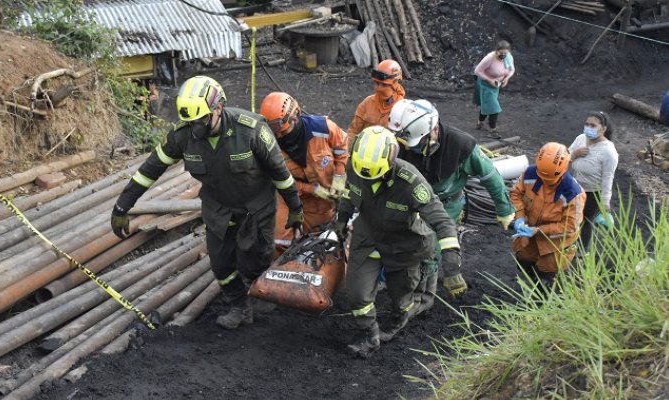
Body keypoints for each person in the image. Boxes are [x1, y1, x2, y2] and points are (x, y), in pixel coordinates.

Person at [110, 76, 304, 330]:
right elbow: (149, 170)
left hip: (256, 208)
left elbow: (280, 173)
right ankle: (239, 306)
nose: (196, 128)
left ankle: (260, 288)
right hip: (218, 207)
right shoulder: (183, 136)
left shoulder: (251, 130)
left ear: (218, 108)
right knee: (221, 264)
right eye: (190, 122)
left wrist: (296, 209)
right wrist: (122, 206)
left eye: (201, 120)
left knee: (254, 259)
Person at [334, 126, 463, 357]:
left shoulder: (411, 183)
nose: (368, 180)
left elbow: (443, 222)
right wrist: (342, 218)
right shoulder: (355, 166)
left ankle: (396, 321)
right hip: (368, 237)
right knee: (357, 294)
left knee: (401, 298)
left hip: (404, 244)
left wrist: (452, 267)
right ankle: (370, 335)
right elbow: (350, 192)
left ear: (391, 162)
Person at [388, 98, 516, 298]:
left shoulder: (460, 146)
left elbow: (490, 177)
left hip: (446, 205)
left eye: (417, 145)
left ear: (434, 131)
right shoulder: (404, 142)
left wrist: (504, 209)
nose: (412, 150)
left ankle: (425, 289)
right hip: (412, 203)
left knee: (431, 249)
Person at [260, 92, 349, 257]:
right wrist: (311, 189)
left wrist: (339, 176)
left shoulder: (323, 128)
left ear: (294, 117)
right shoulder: (269, 144)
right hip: (289, 196)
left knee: (321, 240)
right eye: (274, 133)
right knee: (279, 240)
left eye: (282, 131)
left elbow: (342, 146)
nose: (279, 137)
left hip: (324, 199)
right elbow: (276, 179)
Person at [510, 142, 586, 284]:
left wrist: (538, 230)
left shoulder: (574, 194)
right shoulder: (529, 174)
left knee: (546, 279)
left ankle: (541, 299)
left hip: (556, 244)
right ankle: (529, 285)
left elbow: (570, 226)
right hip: (529, 234)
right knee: (524, 261)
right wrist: (520, 217)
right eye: (542, 177)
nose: (545, 182)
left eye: (550, 179)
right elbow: (516, 194)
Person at [568, 111, 618, 252]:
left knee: (585, 221)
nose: (589, 127)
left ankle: (583, 252)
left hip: (592, 193)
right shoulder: (580, 139)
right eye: (587, 124)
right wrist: (575, 154)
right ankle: (568, 245)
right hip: (574, 187)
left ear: (603, 129)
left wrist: (605, 201)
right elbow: (565, 156)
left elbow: (608, 178)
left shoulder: (609, 152)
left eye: (593, 125)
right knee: (570, 217)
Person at [346, 59, 406, 145]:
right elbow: (352, 132)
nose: (379, 88)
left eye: (384, 85)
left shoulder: (403, 110)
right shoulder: (367, 103)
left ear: (396, 83)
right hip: (363, 151)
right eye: (377, 83)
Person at [473, 40, 515, 139]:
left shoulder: (508, 57)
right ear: (496, 51)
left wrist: (507, 79)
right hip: (486, 84)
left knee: (488, 104)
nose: (503, 55)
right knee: (494, 107)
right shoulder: (489, 58)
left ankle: (480, 122)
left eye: (505, 53)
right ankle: (493, 129)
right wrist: (489, 80)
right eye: (501, 53)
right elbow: (477, 71)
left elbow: (512, 69)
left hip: (496, 86)